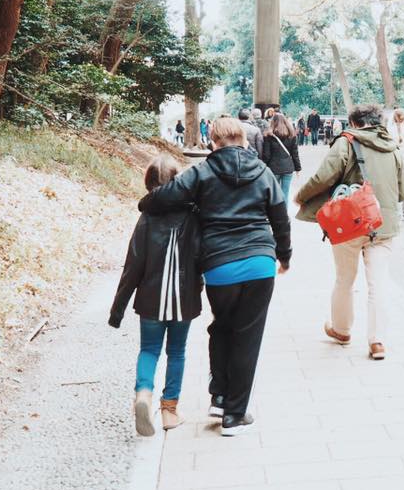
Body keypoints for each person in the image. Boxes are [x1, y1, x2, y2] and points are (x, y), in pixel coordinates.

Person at [137, 118, 291, 436]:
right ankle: (234, 415)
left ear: (214, 142)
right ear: (244, 141)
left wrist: (145, 204)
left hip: (220, 266)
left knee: (221, 327)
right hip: (260, 264)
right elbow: (280, 216)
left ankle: (219, 398)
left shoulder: (201, 172)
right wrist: (285, 255)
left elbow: (165, 195)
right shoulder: (262, 172)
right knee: (247, 336)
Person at [294, 104, 404, 360]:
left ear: (354, 123)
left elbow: (323, 177)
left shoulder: (346, 143)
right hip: (383, 223)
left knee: (345, 278)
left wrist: (301, 196)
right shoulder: (393, 147)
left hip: (351, 224)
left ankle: (342, 330)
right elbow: (402, 192)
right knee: (378, 283)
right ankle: (377, 342)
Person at [109, 155, 202, 436]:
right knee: (177, 352)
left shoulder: (147, 217)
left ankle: (143, 394)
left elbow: (133, 264)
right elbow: (201, 255)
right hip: (183, 298)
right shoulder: (193, 214)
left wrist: (118, 309)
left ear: (148, 183)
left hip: (150, 297)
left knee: (149, 350)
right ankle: (170, 411)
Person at [261, 113, 301, 204]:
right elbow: (295, 154)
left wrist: (263, 167)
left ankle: (276, 215)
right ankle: (285, 215)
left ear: (273, 122)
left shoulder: (268, 135)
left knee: (274, 193)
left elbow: (266, 155)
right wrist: (298, 168)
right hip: (288, 168)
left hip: (273, 168)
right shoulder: (292, 135)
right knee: (285, 192)